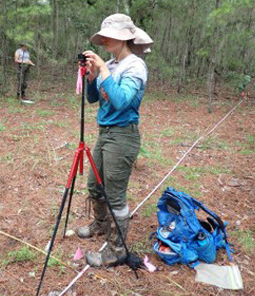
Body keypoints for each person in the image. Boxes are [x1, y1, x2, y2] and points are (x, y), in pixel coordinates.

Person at [76, 13, 152, 267]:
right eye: (104, 36)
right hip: (105, 133)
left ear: (124, 38)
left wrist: (103, 69)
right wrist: (91, 78)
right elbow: (93, 99)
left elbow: (121, 102)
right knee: (94, 186)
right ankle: (100, 224)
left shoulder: (135, 66)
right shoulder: (111, 63)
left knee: (115, 196)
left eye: (110, 36)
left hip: (123, 135)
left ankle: (116, 251)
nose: (105, 40)